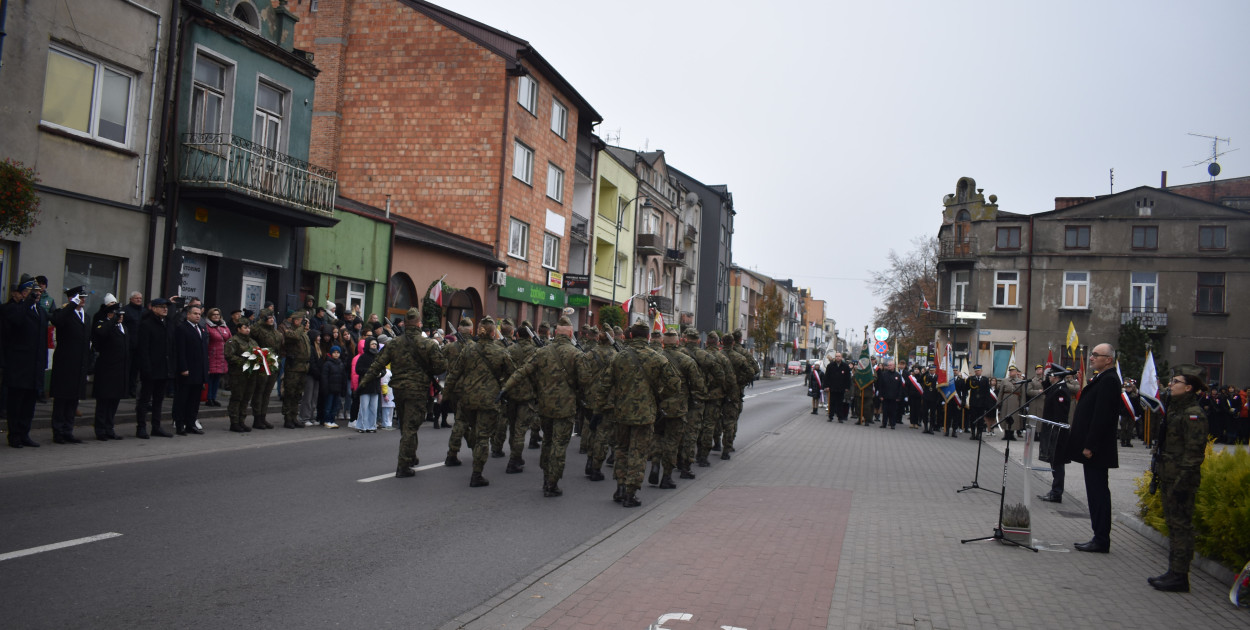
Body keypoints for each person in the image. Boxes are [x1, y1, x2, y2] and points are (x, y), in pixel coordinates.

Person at [592, 322, 682, 508]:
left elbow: (604, 385)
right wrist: (658, 396)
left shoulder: (619, 358)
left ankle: (620, 488)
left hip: (622, 412)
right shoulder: (657, 358)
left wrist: (598, 409)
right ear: (648, 337)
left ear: (630, 336)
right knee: (638, 452)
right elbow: (675, 384)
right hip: (645, 413)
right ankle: (631, 493)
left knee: (622, 450)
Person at [358, 307, 447, 478]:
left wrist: (363, 383)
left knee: (406, 425)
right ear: (419, 324)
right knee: (411, 427)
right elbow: (442, 366)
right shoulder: (428, 344)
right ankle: (403, 465)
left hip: (398, 389)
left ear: (405, 324)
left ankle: (410, 456)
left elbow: (378, 364)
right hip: (417, 390)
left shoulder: (394, 343)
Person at [503, 316, 584, 496]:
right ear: (571, 334)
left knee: (547, 441)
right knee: (559, 445)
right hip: (565, 408)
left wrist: (505, 388)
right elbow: (585, 381)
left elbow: (522, 371)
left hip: (545, 407)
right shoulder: (576, 354)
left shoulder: (542, 352)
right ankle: (552, 484)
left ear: (555, 333)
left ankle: (546, 477)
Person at [1148, 366, 1210, 592]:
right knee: (1174, 526)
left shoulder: (1193, 414)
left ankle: (1180, 576)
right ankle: (1173, 571)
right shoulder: (1175, 410)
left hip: (1181, 479)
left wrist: (1181, 482)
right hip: (1169, 475)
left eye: (1176, 381)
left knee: (1181, 526)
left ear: (1189, 387)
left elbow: (1194, 454)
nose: (1171, 384)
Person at [1064, 342, 1122, 553]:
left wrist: (1090, 445)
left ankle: (1101, 539)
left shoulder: (1109, 380)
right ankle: (1098, 536)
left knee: (1098, 494)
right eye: (1092, 354)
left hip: (1097, 451)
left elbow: (1102, 417)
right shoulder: (1102, 377)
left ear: (1108, 359)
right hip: (1094, 449)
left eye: (1096, 355)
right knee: (1095, 493)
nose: (1091, 358)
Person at [654, 330, 706, 489]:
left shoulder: (653, 358)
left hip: (656, 406)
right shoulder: (687, 361)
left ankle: (655, 463)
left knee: (657, 436)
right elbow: (698, 385)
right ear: (678, 343)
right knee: (672, 441)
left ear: (663, 343)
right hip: (678, 408)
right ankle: (666, 477)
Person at [2, 279, 47, 447]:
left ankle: (24, 433)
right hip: (19, 366)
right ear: (22, 293)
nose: (36, 294)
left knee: (29, 404)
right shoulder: (13, 308)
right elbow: (16, 321)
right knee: (16, 403)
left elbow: (42, 340)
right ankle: (14, 435)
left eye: (38, 292)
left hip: (34, 366)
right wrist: (27, 303)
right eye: (30, 291)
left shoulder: (40, 312)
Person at [49, 287, 92, 443]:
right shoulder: (64, 314)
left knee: (73, 399)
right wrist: (71, 305)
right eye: (79, 297)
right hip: (65, 364)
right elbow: (57, 321)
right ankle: (58, 431)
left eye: (83, 298)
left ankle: (68, 430)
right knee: (61, 399)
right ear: (71, 299)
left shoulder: (85, 317)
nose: (83, 300)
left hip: (79, 364)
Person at [136, 297, 176, 438]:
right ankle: (141, 427)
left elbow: (171, 347)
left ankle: (156, 426)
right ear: (153, 308)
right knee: (145, 399)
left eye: (166, 306)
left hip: (164, 368)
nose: (165, 309)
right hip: (151, 368)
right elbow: (143, 349)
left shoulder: (168, 324)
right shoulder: (146, 324)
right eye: (161, 306)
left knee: (159, 400)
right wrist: (146, 368)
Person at [1037, 367, 1073, 503]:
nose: (1048, 377)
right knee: (1054, 461)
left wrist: (1052, 426)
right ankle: (1055, 490)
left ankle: (1057, 492)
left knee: (1057, 462)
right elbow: (1046, 386)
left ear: (1056, 376)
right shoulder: (1055, 387)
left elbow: (1059, 413)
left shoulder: (1061, 390)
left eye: (1050, 375)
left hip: (1057, 430)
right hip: (1053, 429)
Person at [172, 305, 208, 435]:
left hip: (199, 371)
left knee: (194, 399)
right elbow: (180, 351)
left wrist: (205, 369)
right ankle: (179, 424)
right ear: (188, 315)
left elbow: (204, 351)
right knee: (182, 399)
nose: (198, 316)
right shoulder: (182, 328)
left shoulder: (201, 329)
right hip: (187, 370)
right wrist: (183, 368)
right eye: (195, 313)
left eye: (199, 314)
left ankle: (191, 423)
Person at [223, 318, 260, 432]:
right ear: (239, 329)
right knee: (237, 397)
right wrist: (244, 361)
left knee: (246, 398)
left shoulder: (252, 341)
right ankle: (234, 422)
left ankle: (241, 421)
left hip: (250, 374)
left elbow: (258, 353)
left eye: (248, 327)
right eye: (245, 327)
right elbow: (229, 356)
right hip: (238, 374)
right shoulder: (233, 341)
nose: (248, 329)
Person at [249, 309, 282, 429]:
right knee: (259, 391)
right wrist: (260, 322)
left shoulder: (275, 332)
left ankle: (263, 417)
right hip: (262, 362)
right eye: (268, 318)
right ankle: (257, 418)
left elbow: (279, 346)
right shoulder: (258, 330)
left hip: (273, 363)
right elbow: (251, 332)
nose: (271, 319)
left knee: (267, 392)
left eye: (272, 317)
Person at [280, 311, 312, 429]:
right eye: (302, 321)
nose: (305, 323)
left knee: (298, 394)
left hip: (302, 367)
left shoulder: (303, 333)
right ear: (296, 321)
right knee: (290, 393)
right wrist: (302, 327)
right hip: (293, 368)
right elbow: (294, 336)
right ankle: (288, 418)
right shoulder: (290, 331)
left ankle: (294, 416)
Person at [204, 308, 231, 407]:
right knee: (211, 378)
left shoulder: (224, 326)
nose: (216, 316)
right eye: (214, 315)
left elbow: (229, 338)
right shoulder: (207, 326)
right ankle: (208, 398)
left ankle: (214, 397)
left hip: (222, 356)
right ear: (210, 316)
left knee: (217, 377)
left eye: (218, 314)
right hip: (212, 355)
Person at [355, 338, 381, 433]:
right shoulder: (363, 357)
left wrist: (380, 374)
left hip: (375, 385)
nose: (374, 345)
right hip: (365, 385)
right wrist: (370, 372)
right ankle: (362, 426)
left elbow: (383, 370)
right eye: (372, 344)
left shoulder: (378, 357)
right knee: (364, 407)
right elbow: (358, 369)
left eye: (375, 344)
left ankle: (371, 426)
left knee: (374, 408)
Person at [320, 345, 348, 430]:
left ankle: (332, 420)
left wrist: (343, 388)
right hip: (330, 389)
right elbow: (324, 378)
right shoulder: (327, 364)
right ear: (331, 353)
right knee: (328, 405)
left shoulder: (341, 364)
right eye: (334, 352)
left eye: (338, 353)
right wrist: (325, 388)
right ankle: (327, 420)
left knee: (335, 406)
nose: (336, 354)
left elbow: (343, 377)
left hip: (338, 388)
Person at [997, 365, 1027, 441]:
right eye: (1010, 371)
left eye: (1012, 371)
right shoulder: (1005, 381)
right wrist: (999, 402)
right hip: (1006, 400)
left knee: (1014, 417)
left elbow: (1023, 394)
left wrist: (1022, 404)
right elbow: (1001, 392)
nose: (1011, 372)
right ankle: (1006, 434)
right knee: (1005, 416)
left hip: (1015, 401)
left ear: (1016, 372)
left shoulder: (1020, 381)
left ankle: (1012, 434)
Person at [875, 359, 903, 430]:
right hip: (885, 396)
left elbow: (900, 387)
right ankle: (884, 424)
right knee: (885, 411)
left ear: (894, 366)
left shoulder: (898, 375)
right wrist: (880, 395)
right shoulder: (884, 374)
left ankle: (892, 424)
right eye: (888, 365)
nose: (889, 366)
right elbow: (880, 385)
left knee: (893, 412)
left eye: (891, 365)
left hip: (894, 397)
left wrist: (899, 396)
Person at [966, 365, 992, 439]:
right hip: (974, 402)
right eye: (976, 371)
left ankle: (979, 433)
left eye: (979, 370)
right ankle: (973, 433)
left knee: (980, 419)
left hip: (982, 403)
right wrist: (968, 380)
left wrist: (987, 403)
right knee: (973, 419)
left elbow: (987, 392)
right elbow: (967, 387)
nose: (977, 372)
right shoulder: (972, 379)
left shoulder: (985, 379)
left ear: (981, 371)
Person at [824, 352, 851, 423]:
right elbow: (827, 377)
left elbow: (848, 378)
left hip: (841, 388)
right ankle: (830, 417)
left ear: (841, 357)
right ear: (835, 357)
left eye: (839, 356)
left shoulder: (845, 366)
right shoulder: (830, 366)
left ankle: (840, 418)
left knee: (840, 404)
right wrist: (826, 386)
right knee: (832, 403)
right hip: (832, 388)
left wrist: (847, 387)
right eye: (836, 356)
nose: (837, 358)